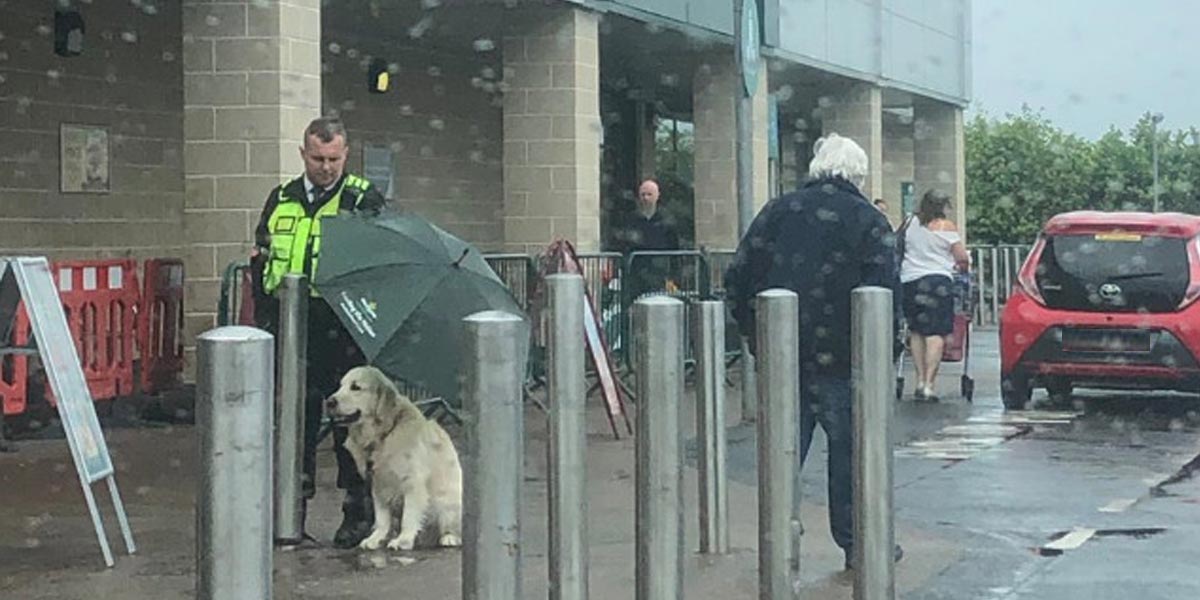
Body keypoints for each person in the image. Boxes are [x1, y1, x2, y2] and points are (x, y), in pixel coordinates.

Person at [724, 133, 902, 570]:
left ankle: (778, 540)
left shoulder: (777, 212)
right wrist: (885, 352)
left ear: (816, 167)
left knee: (782, 453)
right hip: (845, 357)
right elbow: (885, 295)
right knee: (850, 455)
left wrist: (756, 335)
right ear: (857, 175)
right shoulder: (868, 220)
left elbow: (737, 278)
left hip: (784, 353)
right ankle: (857, 544)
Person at [252, 116, 388, 548]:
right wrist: (266, 321)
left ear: (346, 155)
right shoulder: (282, 198)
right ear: (303, 155)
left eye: (333, 159)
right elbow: (262, 257)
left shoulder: (362, 199)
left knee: (351, 424)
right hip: (292, 326)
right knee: (294, 423)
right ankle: (291, 513)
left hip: (343, 327)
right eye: (317, 158)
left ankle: (357, 512)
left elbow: (379, 262)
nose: (326, 167)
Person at [898, 189, 970, 401]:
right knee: (935, 334)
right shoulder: (946, 227)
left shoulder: (909, 223)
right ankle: (929, 384)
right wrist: (962, 267)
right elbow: (962, 258)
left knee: (917, 332)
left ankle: (919, 380)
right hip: (937, 283)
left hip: (910, 281)